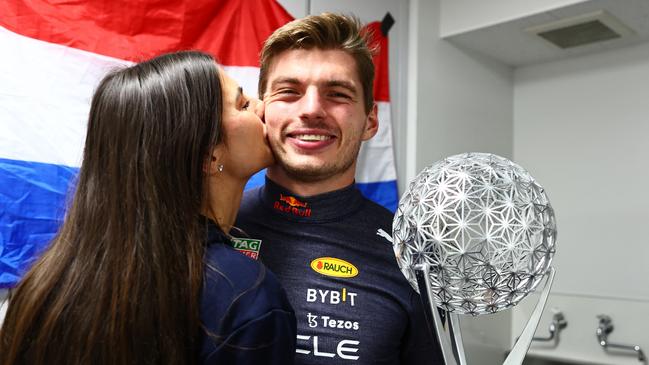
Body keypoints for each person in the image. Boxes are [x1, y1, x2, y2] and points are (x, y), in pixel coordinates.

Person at [0, 51, 296, 365]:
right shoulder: (245, 298)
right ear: (208, 155)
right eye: (243, 104)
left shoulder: (42, 287)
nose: (263, 106)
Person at [235, 13, 443, 364]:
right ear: (262, 111)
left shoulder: (410, 252)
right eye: (289, 91)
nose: (312, 110)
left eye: (338, 94)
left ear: (370, 121)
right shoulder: (210, 227)